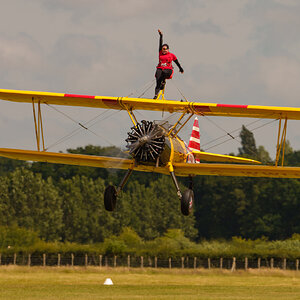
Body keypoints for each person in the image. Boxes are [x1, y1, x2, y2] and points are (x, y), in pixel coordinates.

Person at [154, 29, 184, 99]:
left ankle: (163, 81)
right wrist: (161, 36)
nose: (164, 50)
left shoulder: (172, 55)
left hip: (168, 70)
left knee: (164, 72)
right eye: (163, 49)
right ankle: (156, 95)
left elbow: (177, 62)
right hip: (160, 68)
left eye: (165, 49)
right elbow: (160, 43)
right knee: (158, 80)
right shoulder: (160, 53)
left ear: (168, 49)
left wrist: (181, 68)